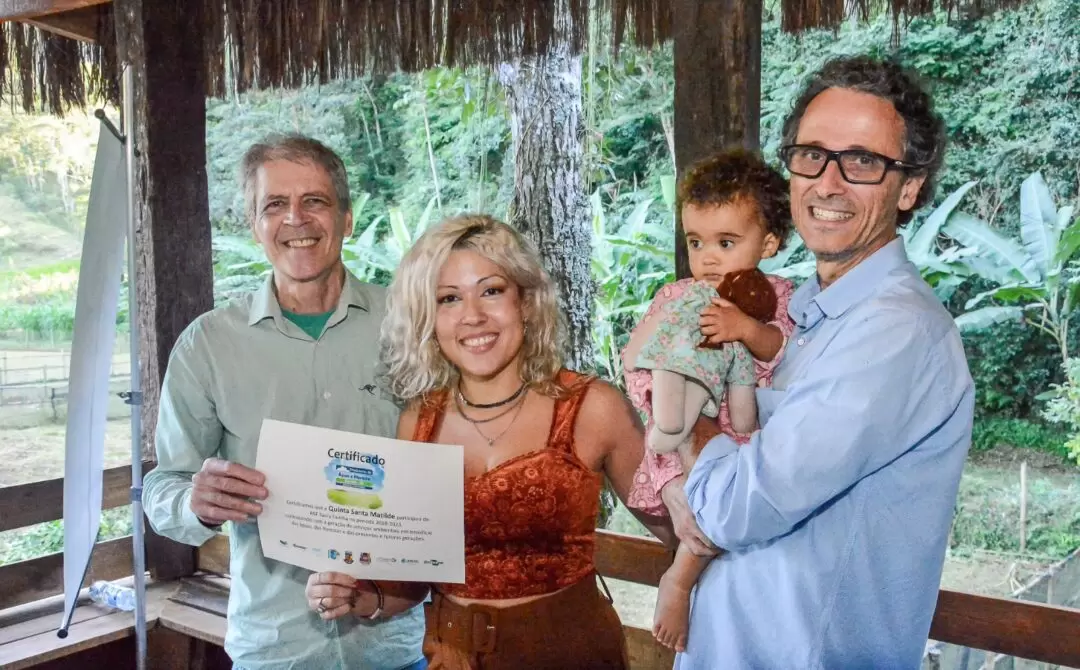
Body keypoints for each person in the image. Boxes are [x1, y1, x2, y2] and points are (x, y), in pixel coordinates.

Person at [675, 56, 975, 669]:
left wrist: (687, 421)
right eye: (812, 154)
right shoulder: (798, 312)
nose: (828, 183)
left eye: (862, 161)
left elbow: (737, 509)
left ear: (909, 187)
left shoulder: (896, 331)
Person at [142, 134, 428, 670]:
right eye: (274, 204)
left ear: (346, 218)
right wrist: (193, 503)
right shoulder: (209, 345)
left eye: (314, 200)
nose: (296, 219)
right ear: (255, 226)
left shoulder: (411, 326)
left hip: (393, 643)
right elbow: (163, 487)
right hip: (275, 649)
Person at [368, 213, 675, 669]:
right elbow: (414, 575)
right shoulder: (418, 421)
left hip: (572, 656)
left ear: (527, 302)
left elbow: (682, 530)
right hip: (453, 657)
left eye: (491, 291)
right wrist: (362, 596)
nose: (473, 316)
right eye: (449, 299)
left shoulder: (592, 407)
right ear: (429, 319)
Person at [621, 150, 796, 653]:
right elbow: (638, 361)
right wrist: (664, 406)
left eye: (726, 242)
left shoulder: (780, 298)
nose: (709, 258)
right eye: (696, 242)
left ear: (769, 243)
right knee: (699, 518)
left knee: (727, 509)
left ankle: (680, 580)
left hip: (740, 434)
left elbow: (779, 350)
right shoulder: (676, 296)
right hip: (679, 424)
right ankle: (679, 582)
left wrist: (745, 329)